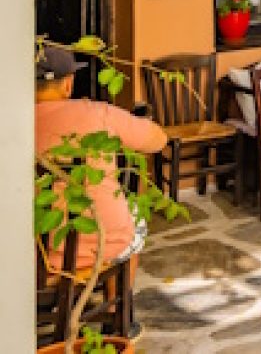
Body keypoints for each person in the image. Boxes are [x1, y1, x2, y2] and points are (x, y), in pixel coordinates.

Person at [36, 42, 167, 320]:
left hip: (30, 255)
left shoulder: (10, 123)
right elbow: (158, 139)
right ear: (68, 84)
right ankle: (118, 314)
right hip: (101, 244)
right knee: (134, 218)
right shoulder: (96, 114)